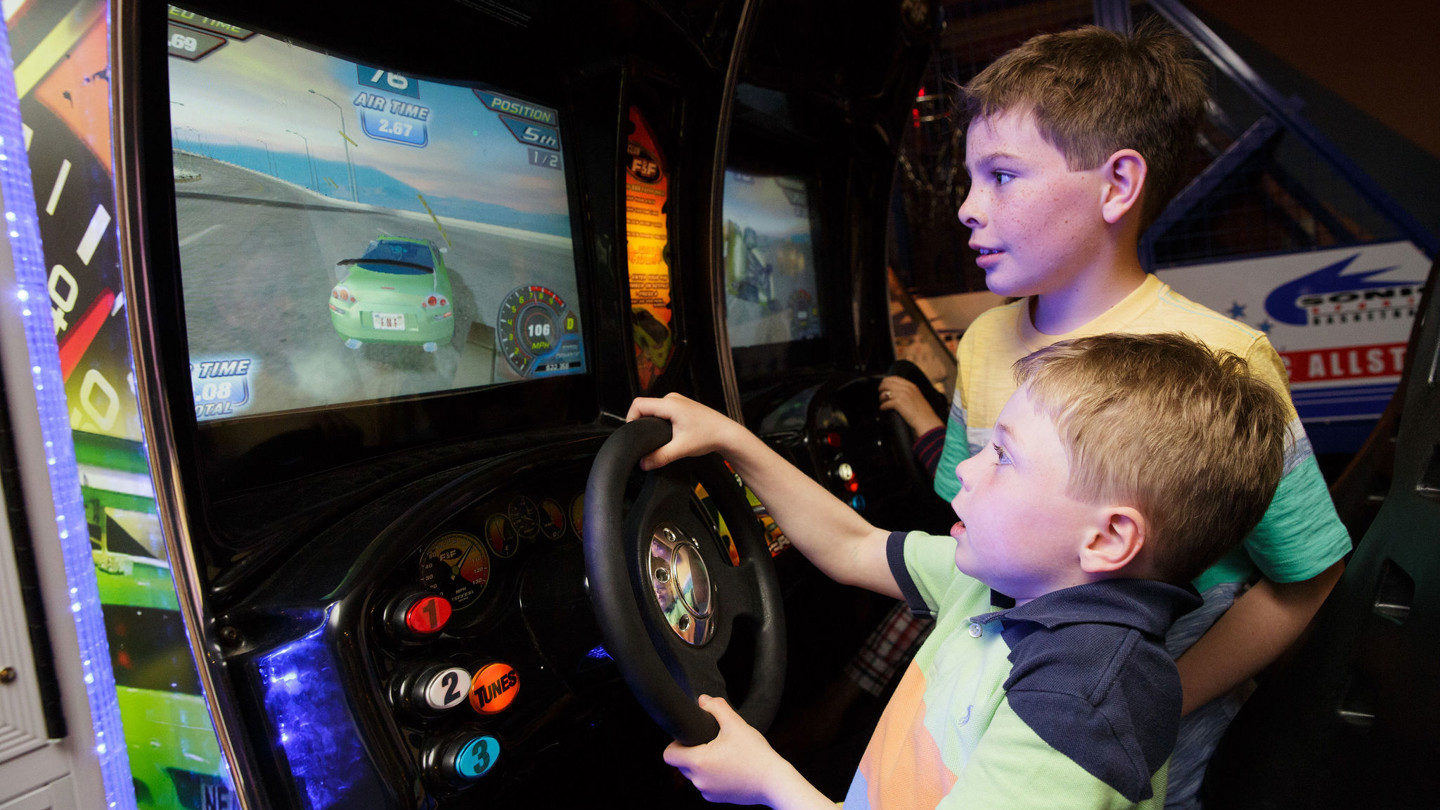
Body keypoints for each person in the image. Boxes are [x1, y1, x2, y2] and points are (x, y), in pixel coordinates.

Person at [873, 22, 1351, 807]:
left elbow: (1307, 577)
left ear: (1117, 184)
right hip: (995, 719)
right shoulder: (988, 341)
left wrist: (1161, 700)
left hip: (1146, 743)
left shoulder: (1223, 362)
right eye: (968, 178)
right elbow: (964, 509)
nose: (965, 208)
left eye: (1000, 176)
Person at [633, 333, 1289, 809]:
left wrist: (770, 782)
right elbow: (852, 544)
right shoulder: (1007, 578)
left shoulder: (1086, 700)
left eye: (1002, 457)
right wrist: (730, 440)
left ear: (1108, 537)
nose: (967, 473)